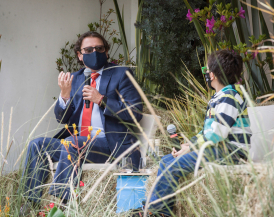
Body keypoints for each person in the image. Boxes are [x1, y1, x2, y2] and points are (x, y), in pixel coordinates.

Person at [19, 31, 142, 216]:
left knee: (72, 143)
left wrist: (101, 99)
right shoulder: (76, 78)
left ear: (106, 52)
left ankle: (63, 206)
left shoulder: (121, 74)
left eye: (99, 48)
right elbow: (62, 119)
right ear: (79, 55)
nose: (95, 52)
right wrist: (65, 95)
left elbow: (135, 112)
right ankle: (29, 205)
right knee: (37, 145)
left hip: (109, 144)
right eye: (89, 49)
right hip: (78, 142)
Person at [135, 50, 251, 216]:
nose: (206, 73)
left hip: (231, 152)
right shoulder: (219, 97)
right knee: (166, 161)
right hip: (218, 148)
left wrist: (190, 149)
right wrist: (188, 144)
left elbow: (217, 134)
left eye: (206, 70)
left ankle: (154, 211)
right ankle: (162, 211)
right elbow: (207, 131)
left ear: (213, 75)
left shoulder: (230, 97)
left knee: (174, 166)